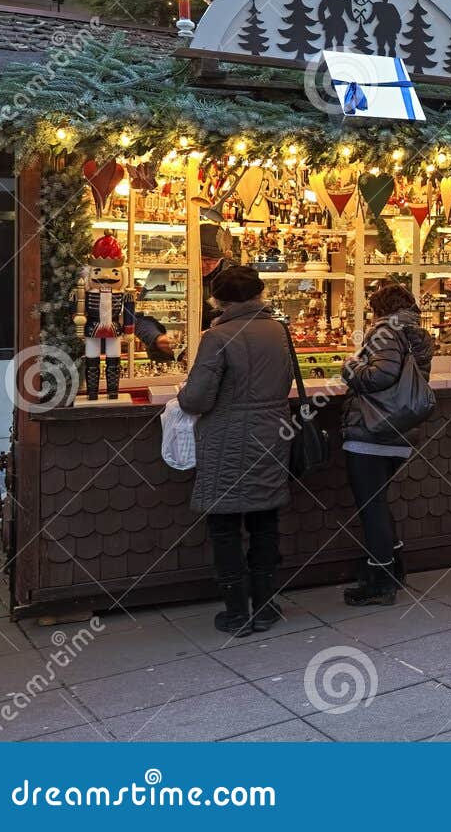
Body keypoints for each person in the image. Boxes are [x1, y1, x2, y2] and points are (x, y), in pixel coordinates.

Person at [176, 266, 294, 636]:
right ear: (260, 294)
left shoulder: (217, 336)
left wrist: (182, 393)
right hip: (272, 434)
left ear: (217, 299)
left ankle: (235, 612)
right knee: (264, 521)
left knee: (225, 526)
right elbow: (287, 379)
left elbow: (196, 398)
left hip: (227, 440)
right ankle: (263, 605)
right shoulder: (279, 331)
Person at [339, 282, 436, 607]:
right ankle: (394, 568)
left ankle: (380, 582)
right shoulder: (416, 334)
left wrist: (350, 367)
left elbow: (380, 376)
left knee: (372, 507)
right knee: (378, 503)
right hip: (400, 432)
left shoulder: (385, 331)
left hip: (371, 432)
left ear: (380, 308)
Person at [134, 223, 233, 358]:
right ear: (188, 252)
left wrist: (217, 334)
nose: (205, 265)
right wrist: (156, 338)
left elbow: (245, 318)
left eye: (211, 260)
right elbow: (139, 316)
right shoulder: (164, 272)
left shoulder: (233, 277)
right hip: (168, 358)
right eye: (201, 258)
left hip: (216, 355)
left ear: (222, 258)